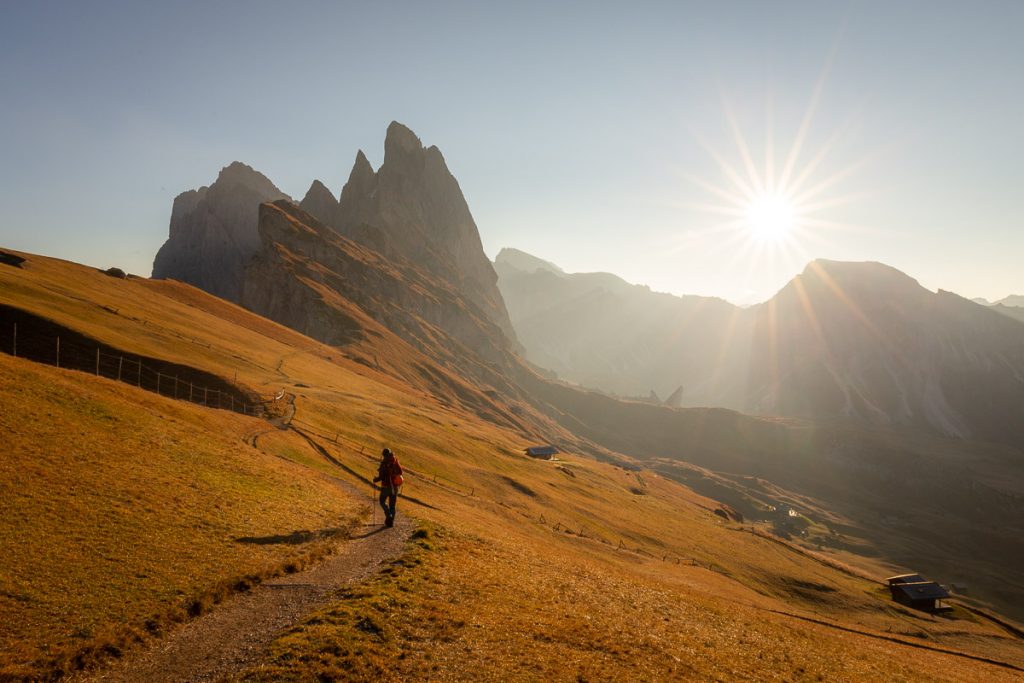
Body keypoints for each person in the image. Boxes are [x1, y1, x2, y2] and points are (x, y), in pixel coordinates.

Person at [373, 447, 404, 527]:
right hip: (395, 487)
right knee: (392, 505)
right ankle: (390, 523)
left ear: (383, 455)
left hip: (386, 486)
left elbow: (381, 477)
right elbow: (401, 472)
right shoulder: (395, 460)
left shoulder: (384, 463)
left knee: (382, 501)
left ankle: (388, 514)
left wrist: (375, 479)